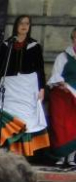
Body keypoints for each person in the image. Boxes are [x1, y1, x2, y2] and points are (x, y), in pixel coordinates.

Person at [0, 15, 49, 157]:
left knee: (25, 119)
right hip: (9, 87)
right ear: (16, 25)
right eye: (21, 23)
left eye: (27, 23)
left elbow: (40, 69)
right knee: (10, 116)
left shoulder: (34, 45)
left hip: (28, 87)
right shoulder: (7, 45)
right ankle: (8, 151)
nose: (24, 26)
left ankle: (24, 152)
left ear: (29, 26)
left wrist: (42, 88)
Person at [47, 27, 76, 167]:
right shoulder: (63, 56)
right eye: (75, 37)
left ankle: (71, 157)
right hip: (63, 97)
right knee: (61, 127)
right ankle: (61, 156)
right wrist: (62, 83)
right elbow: (55, 75)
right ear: (72, 39)